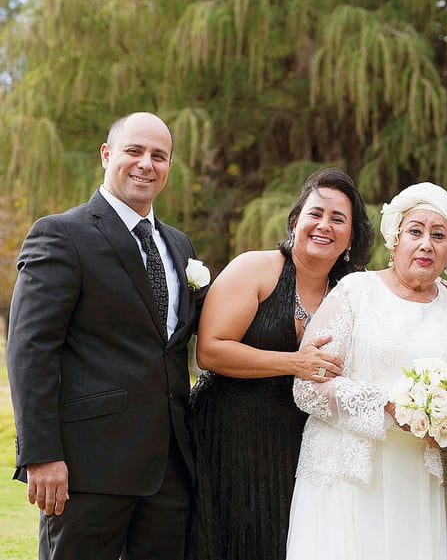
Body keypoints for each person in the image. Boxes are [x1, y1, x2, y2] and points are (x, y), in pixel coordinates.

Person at [6, 112, 204, 559]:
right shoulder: (61, 234)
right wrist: (41, 455)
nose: (146, 164)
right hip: (86, 468)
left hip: (168, 469)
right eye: (134, 151)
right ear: (107, 154)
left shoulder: (180, 246)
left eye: (159, 156)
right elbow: (30, 351)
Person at [187, 168, 374, 559]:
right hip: (227, 435)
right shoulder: (257, 268)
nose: (324, 225)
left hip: (294, 447)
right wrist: (295, 362)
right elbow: (210, 350)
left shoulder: (350, 294)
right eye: (315, 214)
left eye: (338, 219)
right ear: (295, 222)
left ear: (351, 237)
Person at [286, 182, 447, 560]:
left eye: (438, 235)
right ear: (394, 240)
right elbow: (308, 387)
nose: (426, 244)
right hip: (347, 475)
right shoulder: (356, 291)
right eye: (415, 232)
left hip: (421, 476)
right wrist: (386, 404)